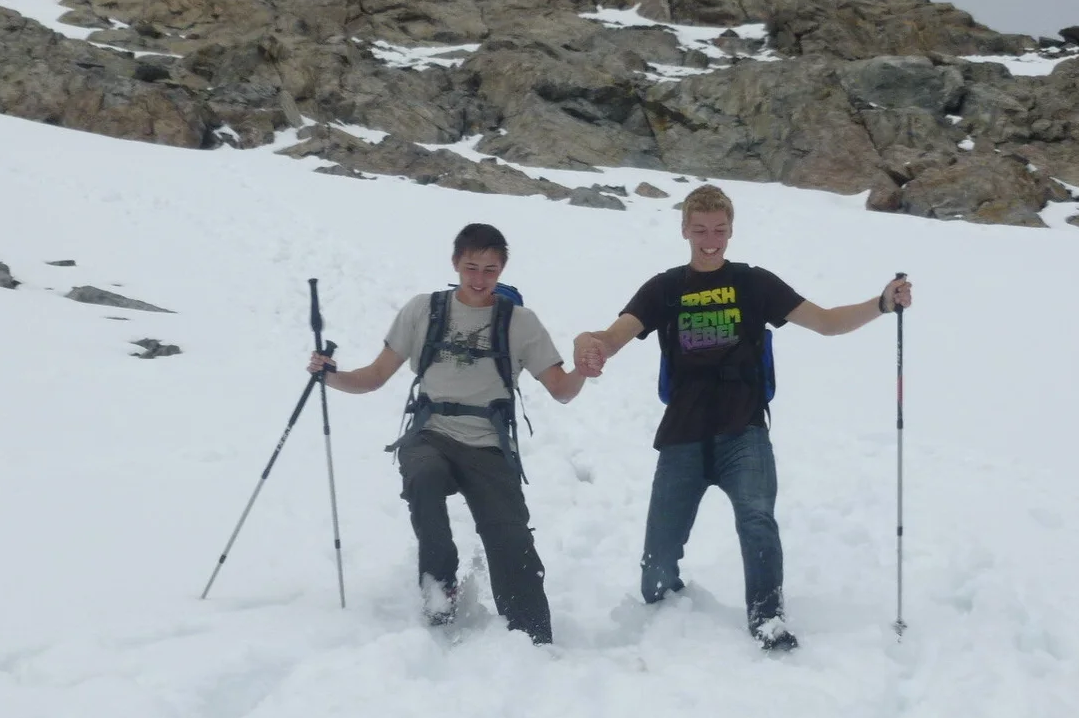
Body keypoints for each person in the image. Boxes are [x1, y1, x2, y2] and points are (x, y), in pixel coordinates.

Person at [573, 184, 913, 651]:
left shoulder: (753, 284)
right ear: (684, 230)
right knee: (656, 567)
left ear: (731, 230)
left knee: (757, 521)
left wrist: (882, 304)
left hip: (744, 432)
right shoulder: (665, 288)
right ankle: (668, 608)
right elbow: (612, 337)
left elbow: (828, 322)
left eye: (719, 230)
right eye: (700, 230)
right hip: (683, 436)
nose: (710, 239)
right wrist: (588, 344)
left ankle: (767, 616)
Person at [309, 223, 595, 644]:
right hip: (431, 433)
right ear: (455, 263)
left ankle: (532, 635)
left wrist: (582, 373)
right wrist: (330, 377)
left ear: (503, 269)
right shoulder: (423, 311)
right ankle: (440, 588)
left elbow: (561, 391)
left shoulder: (520, 323)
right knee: (422, 479)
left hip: (489, 444)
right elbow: (373, 377)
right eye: (471, 267)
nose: (480, 280)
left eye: (490, 270)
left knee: (510, 536)